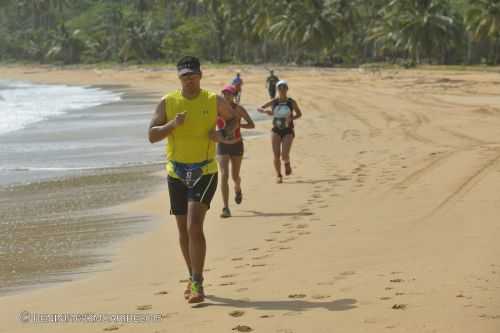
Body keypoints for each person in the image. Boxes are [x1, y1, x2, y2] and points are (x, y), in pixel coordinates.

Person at [148, 56, 236, 304]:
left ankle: (197, 281)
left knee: (194, 226)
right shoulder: (168, 102)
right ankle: (191, 274)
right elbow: (152, 135)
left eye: (193, 74)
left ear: (200, 75)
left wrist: (222, 134)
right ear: (179, 77)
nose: (189, 78)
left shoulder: (212, 100)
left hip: (205, 170)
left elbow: (232, 118)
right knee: (182, 230)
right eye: (185, 75)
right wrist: (172, 125)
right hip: (176, 171)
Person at [216, 84, 255, 218]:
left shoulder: (239, 110)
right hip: (222, 145)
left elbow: (252, 124)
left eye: (230, 94)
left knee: (235, 177)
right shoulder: (216, 110)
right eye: (225, 93)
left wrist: (240, 125)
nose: (227, 96)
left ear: (234, 96)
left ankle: (238, 188)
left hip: (237, 145)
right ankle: (225, 207)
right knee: (224, 175)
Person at [257, 80, 302, 184]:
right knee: (276, 155)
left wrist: (291, 118)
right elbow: (259, 108)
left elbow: (299, 114)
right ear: (277, 89)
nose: (282, 90)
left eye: (284, 88)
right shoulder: (274, 101)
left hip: (288, 130)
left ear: (287, 89)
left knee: (284, 154)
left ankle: (287, 163)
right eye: (280, 88)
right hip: (276, 130)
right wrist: (265, 111)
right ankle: (278, 175)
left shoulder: (291, 102)